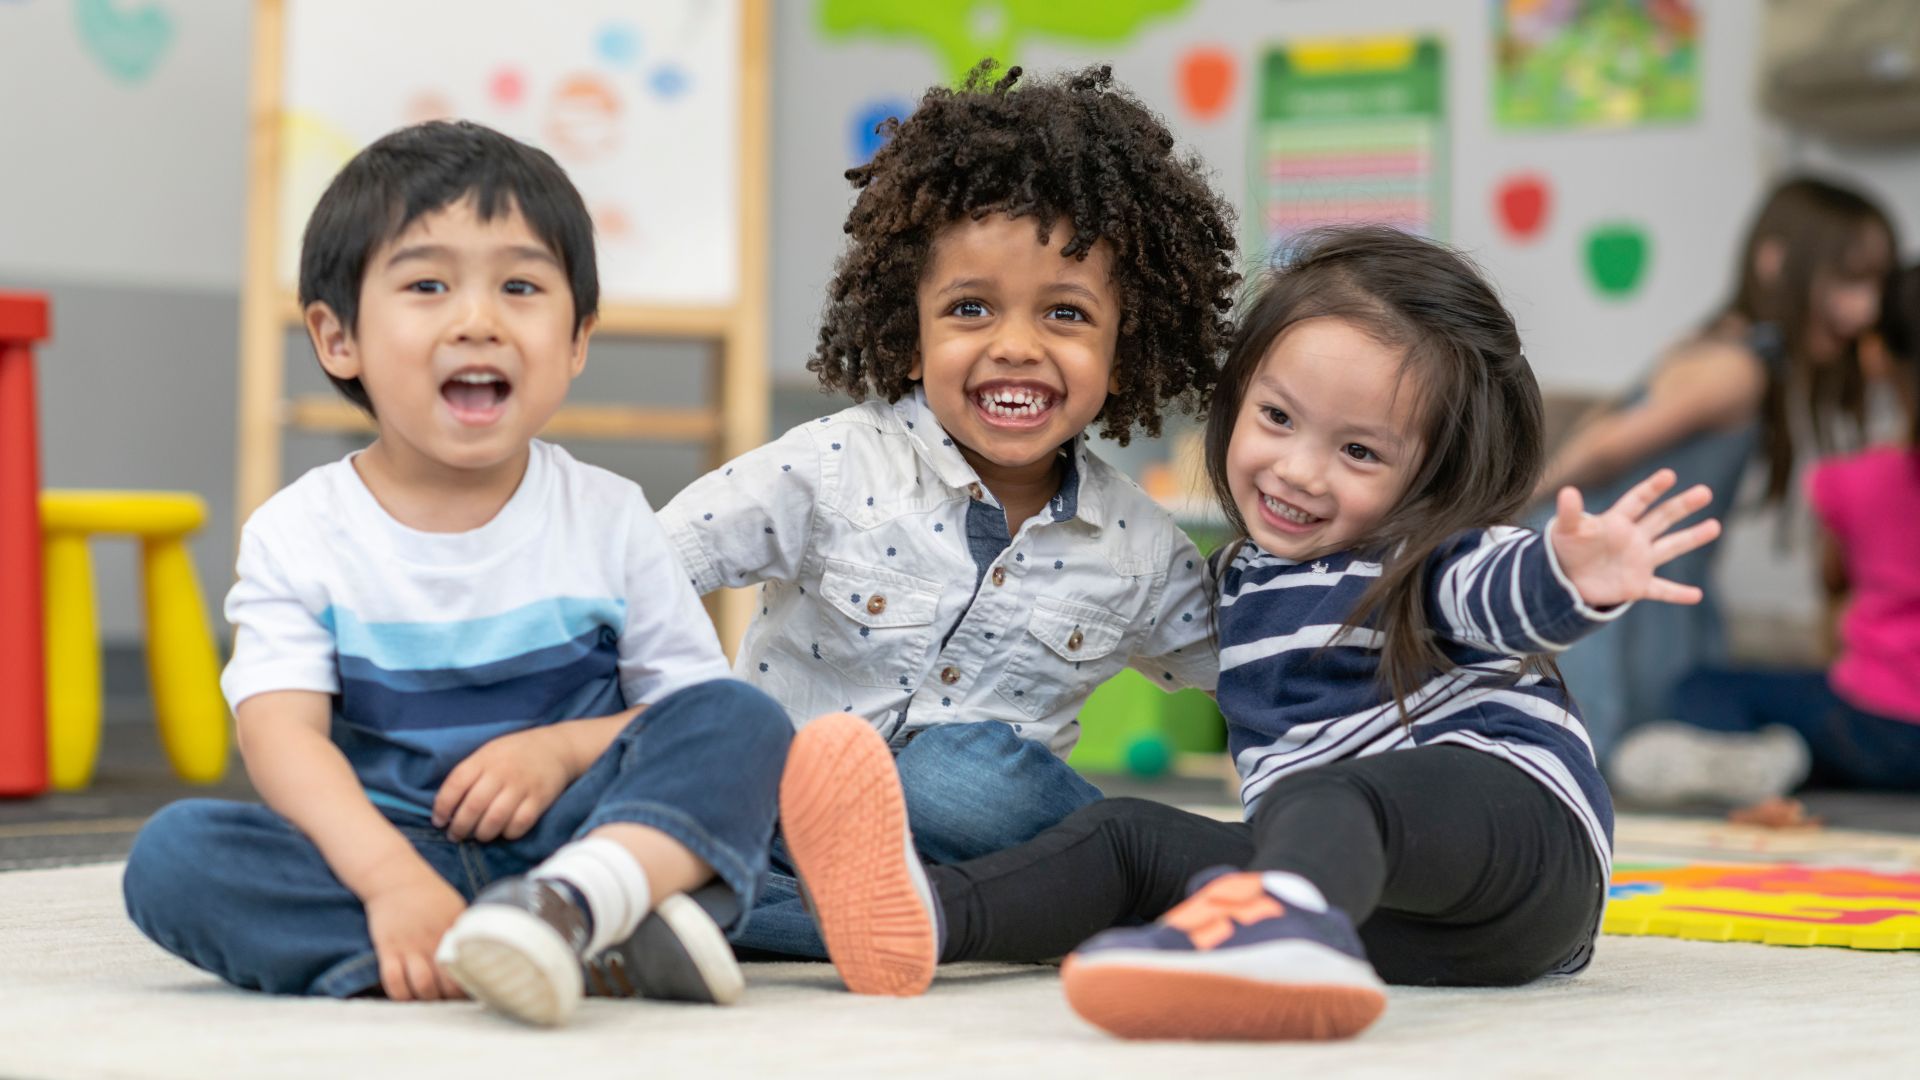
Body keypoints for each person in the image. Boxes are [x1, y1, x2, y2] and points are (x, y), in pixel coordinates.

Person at [776, 226, 1723, 1037]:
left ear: (1428, 480)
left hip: (1520, 849)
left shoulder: (1415, 558)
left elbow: (1499, 591)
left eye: (1358, 451)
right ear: (1234, 405)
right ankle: (920, 921)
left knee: (1344, 796)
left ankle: (1279, 937)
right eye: (1277, 418)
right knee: (1127, 840)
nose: (1299, 471)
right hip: (1377, 913)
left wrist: (1570, 577)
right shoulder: (1236, 582)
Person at [121, 121, 793, 1028]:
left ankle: (571, 912)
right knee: (177, 860)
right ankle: (540, 945)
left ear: (577, 339)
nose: (477, 320)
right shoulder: (299, 531)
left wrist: (559, 752)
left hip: (578, 835)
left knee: (745, 717)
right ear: (337, 337)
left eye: (520, 287)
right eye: (428, 285)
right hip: (390, 850)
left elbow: (681, 714)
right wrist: (391, 880)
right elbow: (283, 737)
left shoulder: (608, 513)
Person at [657, 63, 1240, 964]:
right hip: (773, 826)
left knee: (955, 774)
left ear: (1125, 351)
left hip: (980, 838)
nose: (1015, 345)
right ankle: (907, 922)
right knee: (676, 844)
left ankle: (1136, 886)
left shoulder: (1140, 553)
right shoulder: (830, 467)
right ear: (910, 326)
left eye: (1066, 314)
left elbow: (1252, 684)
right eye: (970, 309)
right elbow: (649, 567)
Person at [1535, 177, 1896, 758]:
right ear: (1775, 263)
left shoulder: (1733, 349)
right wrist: (1502, 505)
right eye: (1848, 280)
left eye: (1876, 284)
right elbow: (1605, 444)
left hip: (1645, 576)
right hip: (1601, 570)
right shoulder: (1737, 369)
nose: (1865, 309)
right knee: (1604, 750)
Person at [1612, 263, 1920, 806]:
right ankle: (1792, 759)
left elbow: (1833, 588)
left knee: (1699, 686)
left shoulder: (1852, 483)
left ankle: (1781, 760)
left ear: (1875, 354)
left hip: (1874, 724)